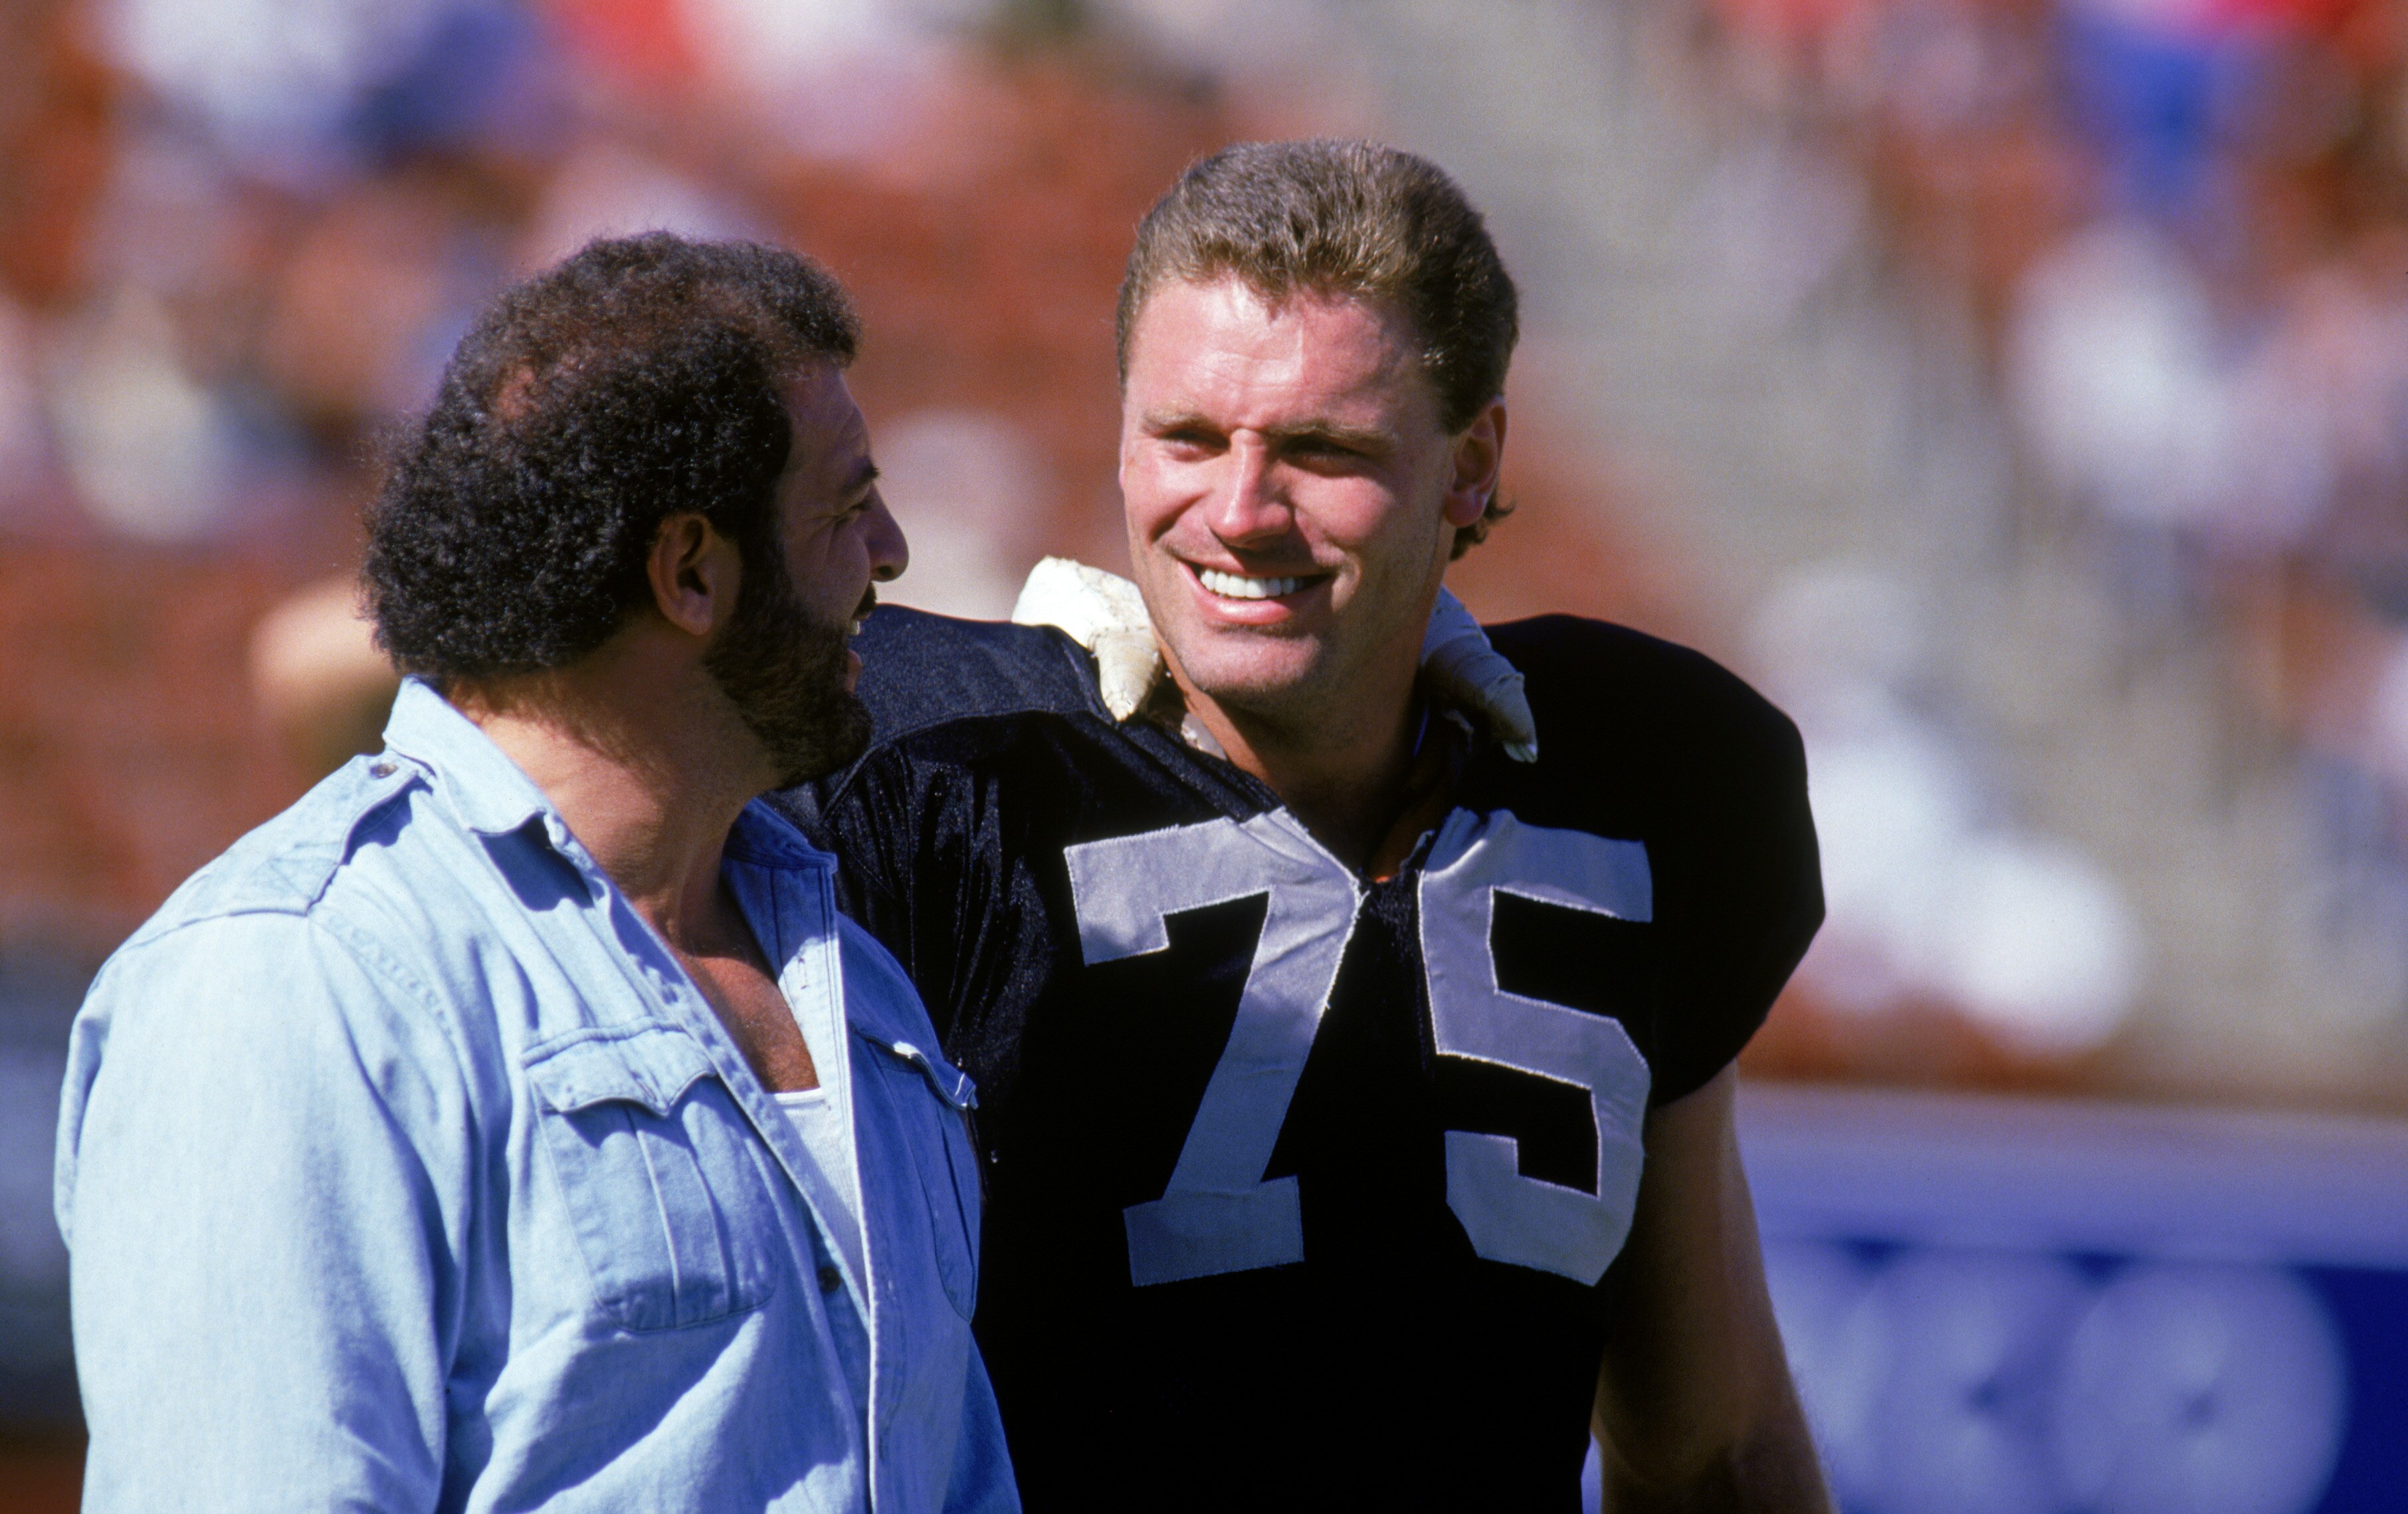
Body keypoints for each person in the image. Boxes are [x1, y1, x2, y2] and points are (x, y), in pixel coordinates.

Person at [781, 141, 1830, 1510]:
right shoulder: (936, 757)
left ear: (1473, 465)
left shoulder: (1634, 777)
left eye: (1322, 450)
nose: (1238, 511)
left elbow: (1710, 1449)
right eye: (1188, 438)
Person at [56, 235, 1019, 1514]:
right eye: (845, 510)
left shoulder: (866, 991)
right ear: (689, 572)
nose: (891, 553)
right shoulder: (295, 981)